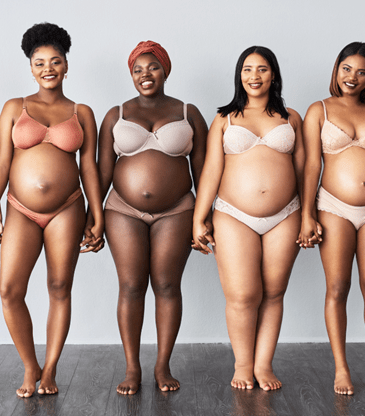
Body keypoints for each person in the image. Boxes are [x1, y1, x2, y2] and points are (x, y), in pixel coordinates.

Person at [0, 22, 104, 397]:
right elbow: (2, 163)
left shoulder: (82, 112)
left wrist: (96, 214)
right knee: (8, 290)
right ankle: (29, 365)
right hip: (20, 209)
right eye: (39, 62)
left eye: (55, 61)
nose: (47, 68)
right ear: (30, 67)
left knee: (59, 287)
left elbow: (89, 167)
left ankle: (49, 369)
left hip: (67, 208)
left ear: (66, 65)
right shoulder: (13, 108)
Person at [96, 40, 208, 395]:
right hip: (122, 210)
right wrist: (92, 216)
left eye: (153, 67)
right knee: (130, 286)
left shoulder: (189, 112)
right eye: (137, 70)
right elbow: (101, 171)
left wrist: (205, 218)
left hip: (177, 209)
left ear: (165, 70)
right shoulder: (116, 114)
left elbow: (205, 172)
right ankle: (132, 367)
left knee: (166, 285)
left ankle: (162, 365)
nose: (146, 75)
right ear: (131, 76)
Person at [193, 46, 304, 391]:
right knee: (242, 295)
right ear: (239, 75)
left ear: (274, 75)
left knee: (273, 292)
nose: (254, 76)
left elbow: (303, 170)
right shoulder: (224, 118)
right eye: (247, 69)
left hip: (286, 214)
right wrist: (200, 217)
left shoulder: (292, 117)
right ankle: (243, 364)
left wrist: (309, 216)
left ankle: (264, 364)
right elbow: (211, 170)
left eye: (262, 69)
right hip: (232, 214)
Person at [298, 42, 365, 396]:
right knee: (337, 287)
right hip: (333, 206)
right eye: (346, 68)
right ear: (337, 70)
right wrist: (306, 215)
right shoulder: (319, 110)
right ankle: (341, 369)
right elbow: (312, 165)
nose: (352, 77)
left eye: (361, 72)